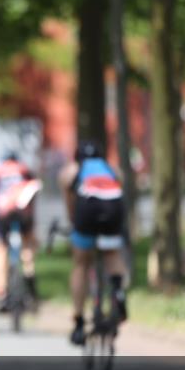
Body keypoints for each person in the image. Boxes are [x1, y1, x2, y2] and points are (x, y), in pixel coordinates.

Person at [58, 139, 128, 345]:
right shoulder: (113, 170)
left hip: (87, 212)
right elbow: (119, 194)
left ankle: (79, 322)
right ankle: (118, 291)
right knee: (111, 253)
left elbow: (71, 205)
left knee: (81, 263)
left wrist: (74, 224)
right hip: (113, 211)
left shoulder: (70, 172)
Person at [0, 152, 41, 312]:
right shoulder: (25, 170)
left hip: (3, 215)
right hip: (23, 214)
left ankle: (1, 295)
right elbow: (33, 196)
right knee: (27, 247)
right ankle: (29, 276)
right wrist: (33, 229)